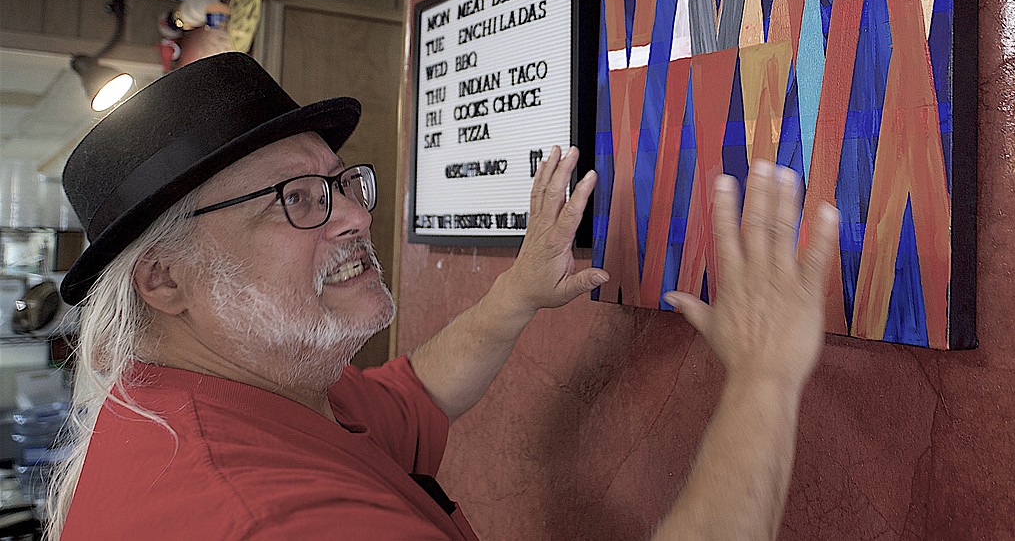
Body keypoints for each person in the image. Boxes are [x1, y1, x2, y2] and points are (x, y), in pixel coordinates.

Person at [47, 51, 837, 541]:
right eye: (296, 198)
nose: (357, 216)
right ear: (164, 279)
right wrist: (765, 379)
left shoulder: (240, 392)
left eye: (343, 183)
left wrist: (517, 293)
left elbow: (411, 395)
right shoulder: (261, 517)